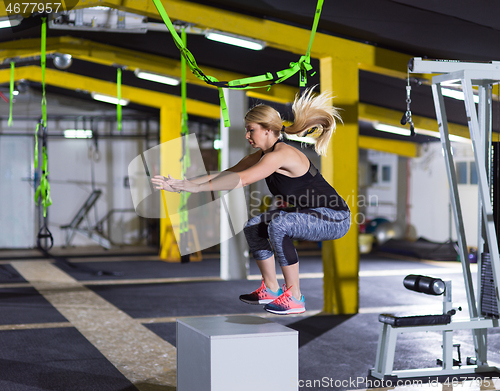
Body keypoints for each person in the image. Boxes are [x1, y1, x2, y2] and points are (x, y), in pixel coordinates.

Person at [151, 87, 351, 315]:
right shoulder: (262, 155)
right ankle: (271, 288)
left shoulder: (281, 155)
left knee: (280, 224)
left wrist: (195, 188)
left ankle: (295, 296)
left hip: (335, 217)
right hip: (311, 214)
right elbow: (228, 173)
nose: (247, 136)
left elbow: (242, 180)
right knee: (254, 226)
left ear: (267, 130)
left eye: (251, 130)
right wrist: (184, 183)